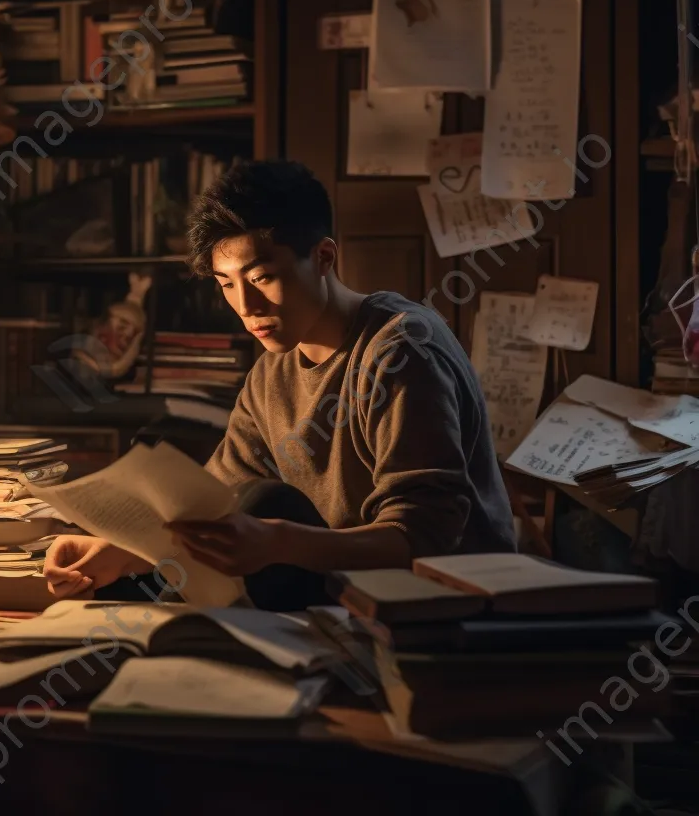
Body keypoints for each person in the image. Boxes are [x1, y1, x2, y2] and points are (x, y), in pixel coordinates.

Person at [44, 161, 517, 609]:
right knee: (130, 589)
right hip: (343, 601)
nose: (245, 304)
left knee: (267, 506)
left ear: (324, 256)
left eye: (262, 276)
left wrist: (277, 542)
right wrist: (117, 550)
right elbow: (213, 505)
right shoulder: (271, 374)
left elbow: (423, 536)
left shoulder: (402, 351)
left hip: (447, 607)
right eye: (226, 284)